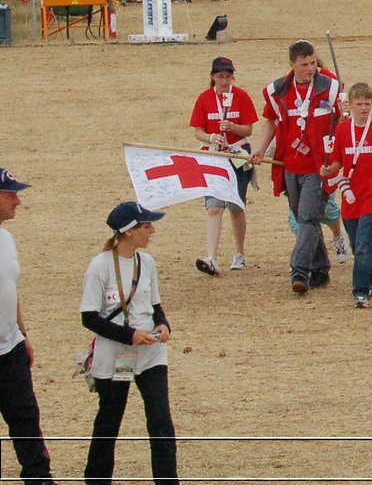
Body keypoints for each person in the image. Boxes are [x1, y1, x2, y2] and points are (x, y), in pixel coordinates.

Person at [80, 202, 177, 485]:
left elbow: (155, 304)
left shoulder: (147, 262)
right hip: (120, 355)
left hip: (151, 354)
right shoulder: (100, 266)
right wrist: (129, 335)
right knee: (110, 420)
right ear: (128, 232)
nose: (152, 231)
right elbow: (89, 317)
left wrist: (163, 324)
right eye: (147, 226)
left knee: (161, 422)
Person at [252, 40, 341, 292]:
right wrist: (260, 148)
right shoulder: (277, 90)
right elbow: (270, 120)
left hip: (318, 167)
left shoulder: (331, 86)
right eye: (304, 65)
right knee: (302, 217)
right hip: (289, 165)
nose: (311, 69)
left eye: (313, 63)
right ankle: (321, 267)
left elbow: (342, 120)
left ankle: (299, 271)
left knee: (308, 216)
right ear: (292, 64)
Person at [0, 167, 57, 485]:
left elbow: (9, 288)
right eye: (10, 194)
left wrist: (23, 335)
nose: (18, 201)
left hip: (10, 348)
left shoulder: (6, 239)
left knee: (26, 418)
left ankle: (39, 480)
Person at [321, 82, 372, 307]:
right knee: (356, 245)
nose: (364, 108)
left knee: (364, 244)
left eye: (367, 103)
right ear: (350, 105)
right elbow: (336, 162)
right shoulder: (343, 130)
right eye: (359, 104)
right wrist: (328, 170)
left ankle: (360, 291)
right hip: (350, 195)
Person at [190, 56, 258, 276]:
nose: (225, 81)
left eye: (228, 77)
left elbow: (248, 130)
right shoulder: (204, 99)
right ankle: (211, 257)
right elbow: (197, 130)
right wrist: (211, 138)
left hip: (237, 157)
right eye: (220, 77)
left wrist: (232, 127)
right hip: (212, 158)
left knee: (236, 207)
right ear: (213, 77)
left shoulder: (242, 96)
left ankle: (239, 252)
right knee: (215, 206)